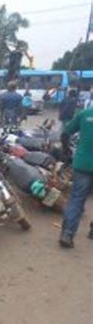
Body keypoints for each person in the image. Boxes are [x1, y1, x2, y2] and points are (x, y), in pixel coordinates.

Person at [58, 103, 93, 248]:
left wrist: (66, 150)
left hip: (83, 163)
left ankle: (67, 233)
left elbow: (65, 133)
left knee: (77, 198)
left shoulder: (85, 114)